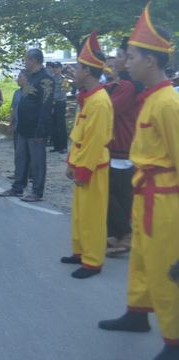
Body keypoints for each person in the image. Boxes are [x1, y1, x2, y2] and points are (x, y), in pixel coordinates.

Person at [98, 6, 179, 359]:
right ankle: (137, 315)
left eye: (130, 56)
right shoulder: (149, 98)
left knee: (164, 272)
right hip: (146, 194)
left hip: (165, 203)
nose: (124, 61)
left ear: (149, 60)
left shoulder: (167, 104)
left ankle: (175, 341)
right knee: (142, 262)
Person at [60, 32, 113, 279]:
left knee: (93, 216)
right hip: (83, 162)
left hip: (94, 166)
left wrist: (83, 169)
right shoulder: (89, 98)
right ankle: (80, 252)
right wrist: (72, 161)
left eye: (79, 67)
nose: (74, 71)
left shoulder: (100, 102)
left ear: (88, 72)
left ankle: (93, 261)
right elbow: (80, 135)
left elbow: (95, 141)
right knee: (81, 213)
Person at [0, 49, 54, 202]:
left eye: (26, 59)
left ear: (33, 60)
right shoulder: (32, 78)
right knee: (20, 159)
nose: (25, 62)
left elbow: (46, 106)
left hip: (36, 129)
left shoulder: (46, 80)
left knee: (37, 162)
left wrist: (41, 130)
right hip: (23, 127)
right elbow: (26, 99)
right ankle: (18, 187)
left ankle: (37, 191)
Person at [104, 37, 141, 257]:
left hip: (122, 147)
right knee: (118, 194)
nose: (115, 60)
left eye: (119, 56)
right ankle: (119, 235)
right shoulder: (119, 84)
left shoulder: (126, 86)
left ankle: (125, 234)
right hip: (118, 147)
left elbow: (108, 110)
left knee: (111, 194)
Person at [48, 62, 68, 154]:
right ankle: (56, 146)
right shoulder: (50, 79)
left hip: (60, 103)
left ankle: (63, 147)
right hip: (52, 104)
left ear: (61, 68)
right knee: (53, 125)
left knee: (61, 125)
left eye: (57, 68)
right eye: (54, 68)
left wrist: (54, 99)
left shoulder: (64, 79)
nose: (55, 69)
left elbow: (63, 92)